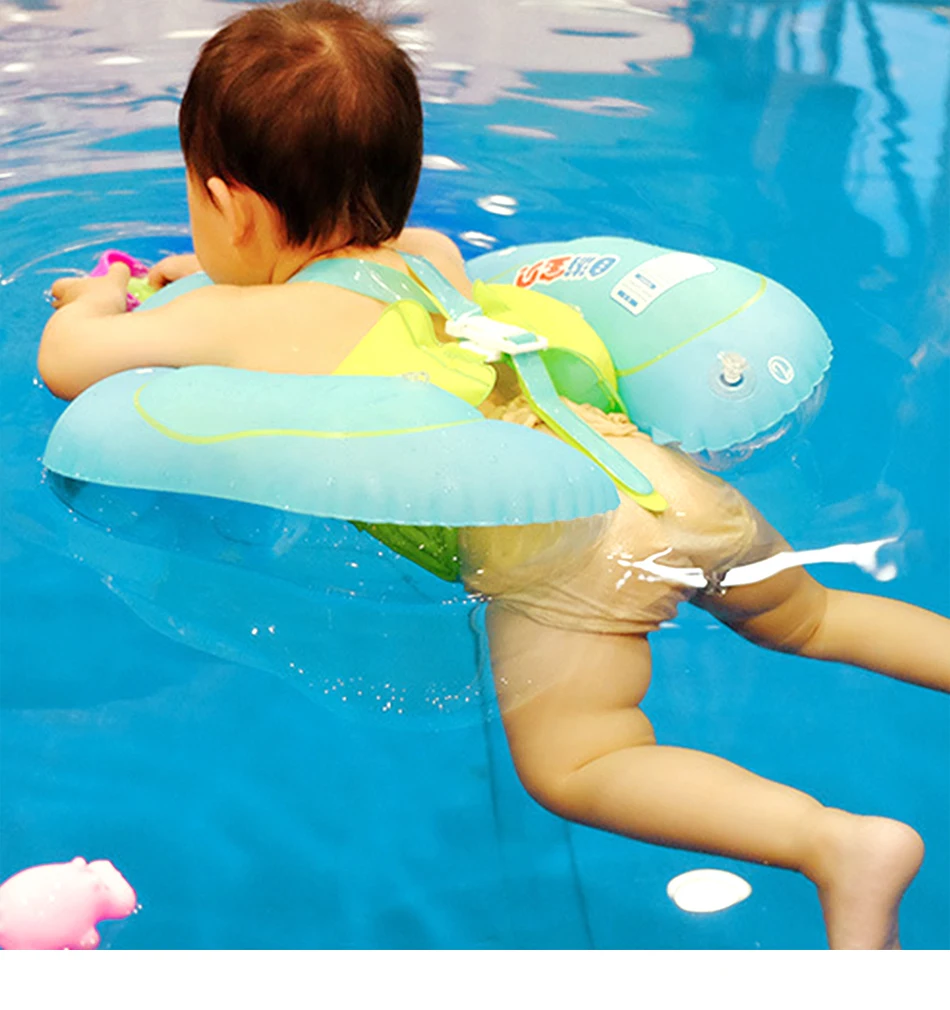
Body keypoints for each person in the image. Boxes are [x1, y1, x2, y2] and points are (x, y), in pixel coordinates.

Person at [37, 0, 950, 950]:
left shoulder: (239, 322)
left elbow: (68, 360)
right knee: (815, 618)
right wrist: (197, 271)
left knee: (580, 763)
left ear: (231, 207)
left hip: (573, 552)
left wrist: (98, 296)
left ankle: (836, 845)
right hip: (664, 484)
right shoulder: (428, 257)